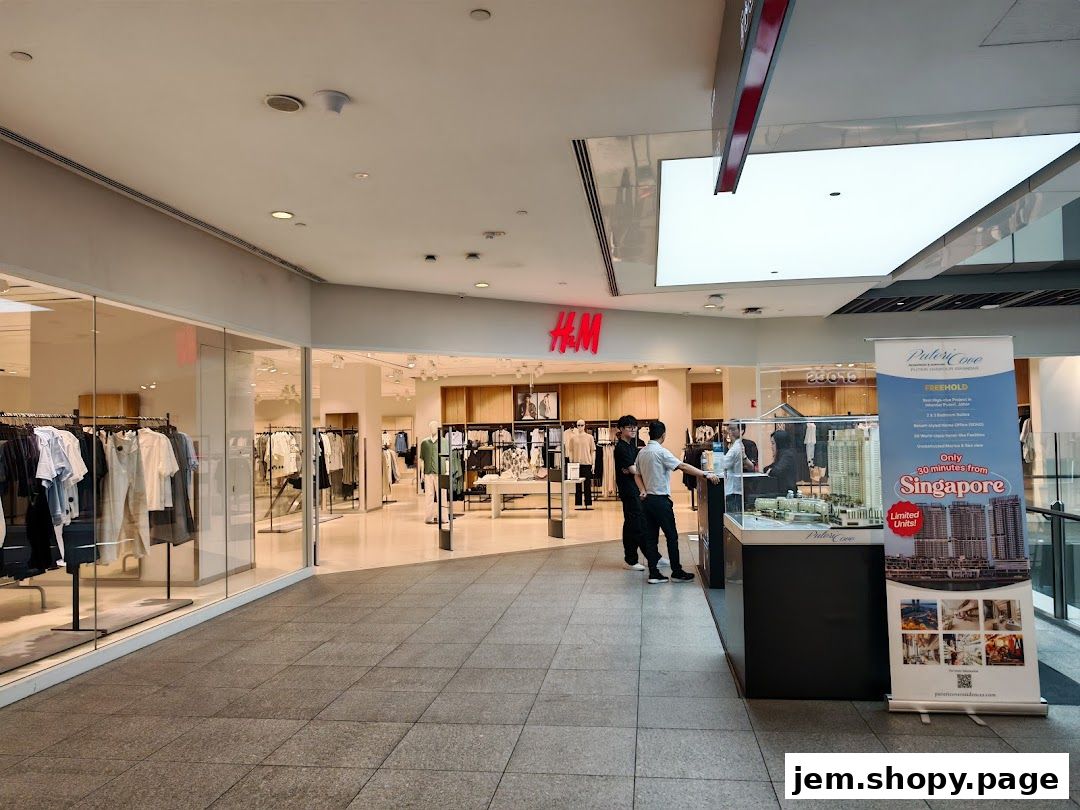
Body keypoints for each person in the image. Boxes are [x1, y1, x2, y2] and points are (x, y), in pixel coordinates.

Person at [633, 420, 720, 583]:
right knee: (671, 536)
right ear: (663, 435)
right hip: (661, 501)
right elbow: (683, 466)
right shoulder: (661, 452)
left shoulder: (642, 452)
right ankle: (677, 572)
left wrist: (642, 489)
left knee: (651, 537)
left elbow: (636, 474)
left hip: (647, 501)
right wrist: (705, 474)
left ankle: (653, 573)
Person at [613, 415, 650, 571]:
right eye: (629, 427)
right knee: (633, 524)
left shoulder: (631, 446)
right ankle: (630, 560)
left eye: (635, 426)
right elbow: (635, 470)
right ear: (621, 429)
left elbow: (636, 468)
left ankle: (651, 556)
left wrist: (634, 471)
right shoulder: (621, 448)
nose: (633, 429)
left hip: (635, 489)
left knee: (638, 523)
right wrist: (634, 471)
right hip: (629, 491)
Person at [717, 422, 745, 514]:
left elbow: (723, 464)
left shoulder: (736, 447)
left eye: (733, 429)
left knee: (733, 516)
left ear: (741, 431)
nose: (730, 432)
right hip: (733, 487)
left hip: (733, 490)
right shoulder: (735, 446)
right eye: (729, 429)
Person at [764, 429, 799, 495]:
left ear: (779, 443)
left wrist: (770, 471)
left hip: (787, 493)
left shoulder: (787, 455)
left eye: (773, 443)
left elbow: (776, 471)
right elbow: (767, 468)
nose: (772, 447)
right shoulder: (783, 455)